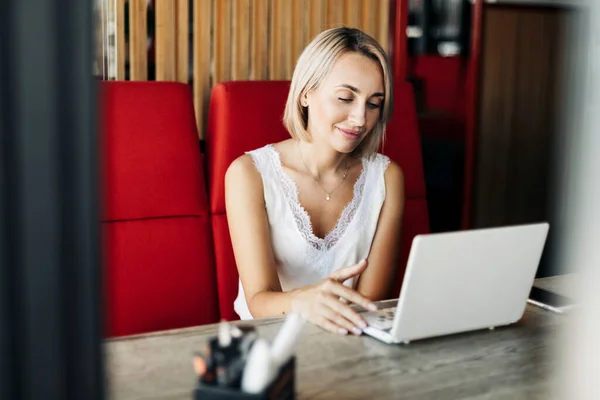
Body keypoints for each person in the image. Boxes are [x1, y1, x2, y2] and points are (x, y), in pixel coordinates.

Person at [225, 27, 405, 336]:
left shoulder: (388, 178)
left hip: (351, 340)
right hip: (268, 343)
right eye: (345, 98)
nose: (360, 118)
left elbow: (371, 302)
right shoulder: (248, 174)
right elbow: (259, 301)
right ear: (306, 93)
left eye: (374, 103)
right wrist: (305, 302)